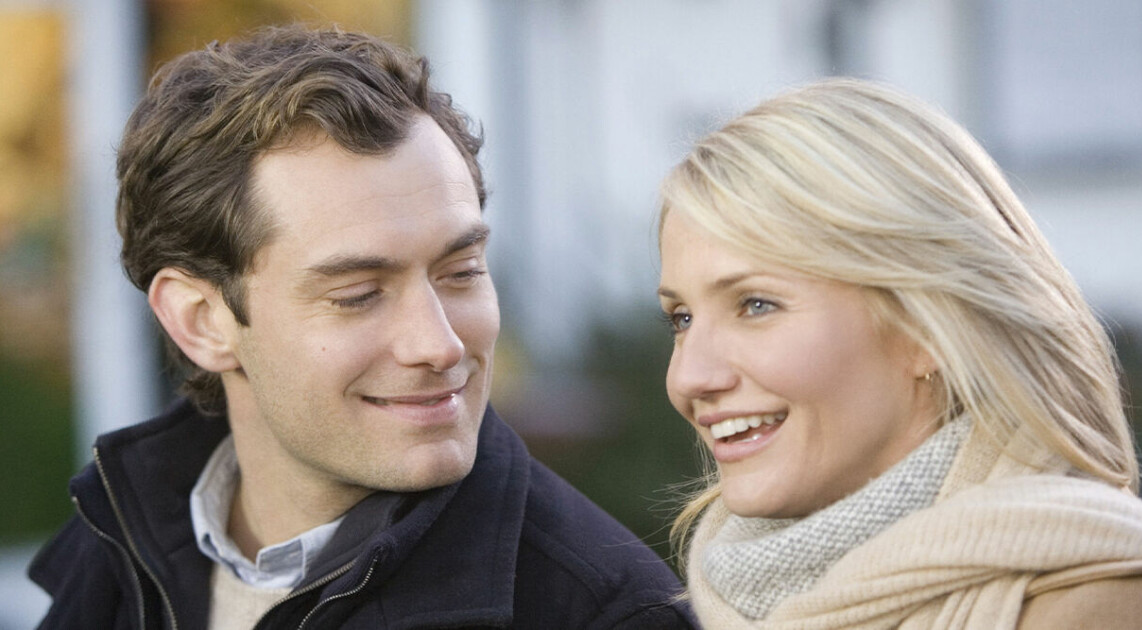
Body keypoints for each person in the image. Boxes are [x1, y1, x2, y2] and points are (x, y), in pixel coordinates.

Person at [29, 25, 695, 629]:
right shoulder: (114, 546)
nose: (439, 345)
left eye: (461, 271)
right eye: (358, 295)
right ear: (201, 321)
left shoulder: (611, 615)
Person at [656, 78, 1142, 629]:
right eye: (681, 318)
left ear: (925, 327)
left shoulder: (1109, 610)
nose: (689, 378)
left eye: (756, 305)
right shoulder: (718, 606)